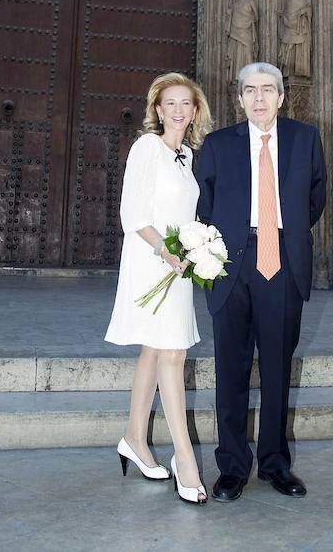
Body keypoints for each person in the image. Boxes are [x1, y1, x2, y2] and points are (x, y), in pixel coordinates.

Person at [196, 62, 326, 502]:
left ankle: (275, 464)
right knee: (230, 371)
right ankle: (232, 468)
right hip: (230, 265)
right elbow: (205, 202)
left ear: (281, 96)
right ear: (239, 98)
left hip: (282, 262)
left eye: (267, 90)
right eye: (250, 90)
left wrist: (281, 236)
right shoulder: (217, 145)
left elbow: (316, 196)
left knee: (276, 369)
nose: (258, 98)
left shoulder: (305, 139)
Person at [105, 72, 212, 504]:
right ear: (158, 109)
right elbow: (132, 213)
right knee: (172, 352)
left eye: (186, 102)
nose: (179, 110)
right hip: (154, 262)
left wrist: (201, 247)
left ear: (195, 110)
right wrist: (166, 253)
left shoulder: (186, 155)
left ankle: (134, 436)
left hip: (180, 265)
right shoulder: (146, 148)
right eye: (170, 102)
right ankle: (185, 460)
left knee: (155, 350)